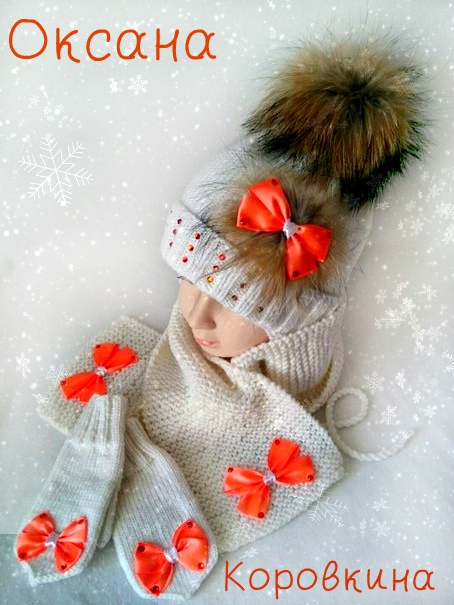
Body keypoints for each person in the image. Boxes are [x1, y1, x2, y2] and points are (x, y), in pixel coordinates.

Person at [17, 29, 432, 600]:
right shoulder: (158, 357)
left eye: (235, 302)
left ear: (297, 329)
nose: (196, 316)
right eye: (187, 282)